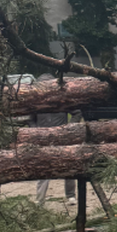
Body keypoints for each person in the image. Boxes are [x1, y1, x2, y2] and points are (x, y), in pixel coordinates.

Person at [29, 74, 80, 206]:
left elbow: (77, 113)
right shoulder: (36, 103)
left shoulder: (61, 100)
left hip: (62, 138)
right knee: (44, 168)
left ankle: (70, 196)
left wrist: (68, 128)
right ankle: (40, 199)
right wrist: (36, 131)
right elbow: (31, 119)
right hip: (43, 139)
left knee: (68, 166)